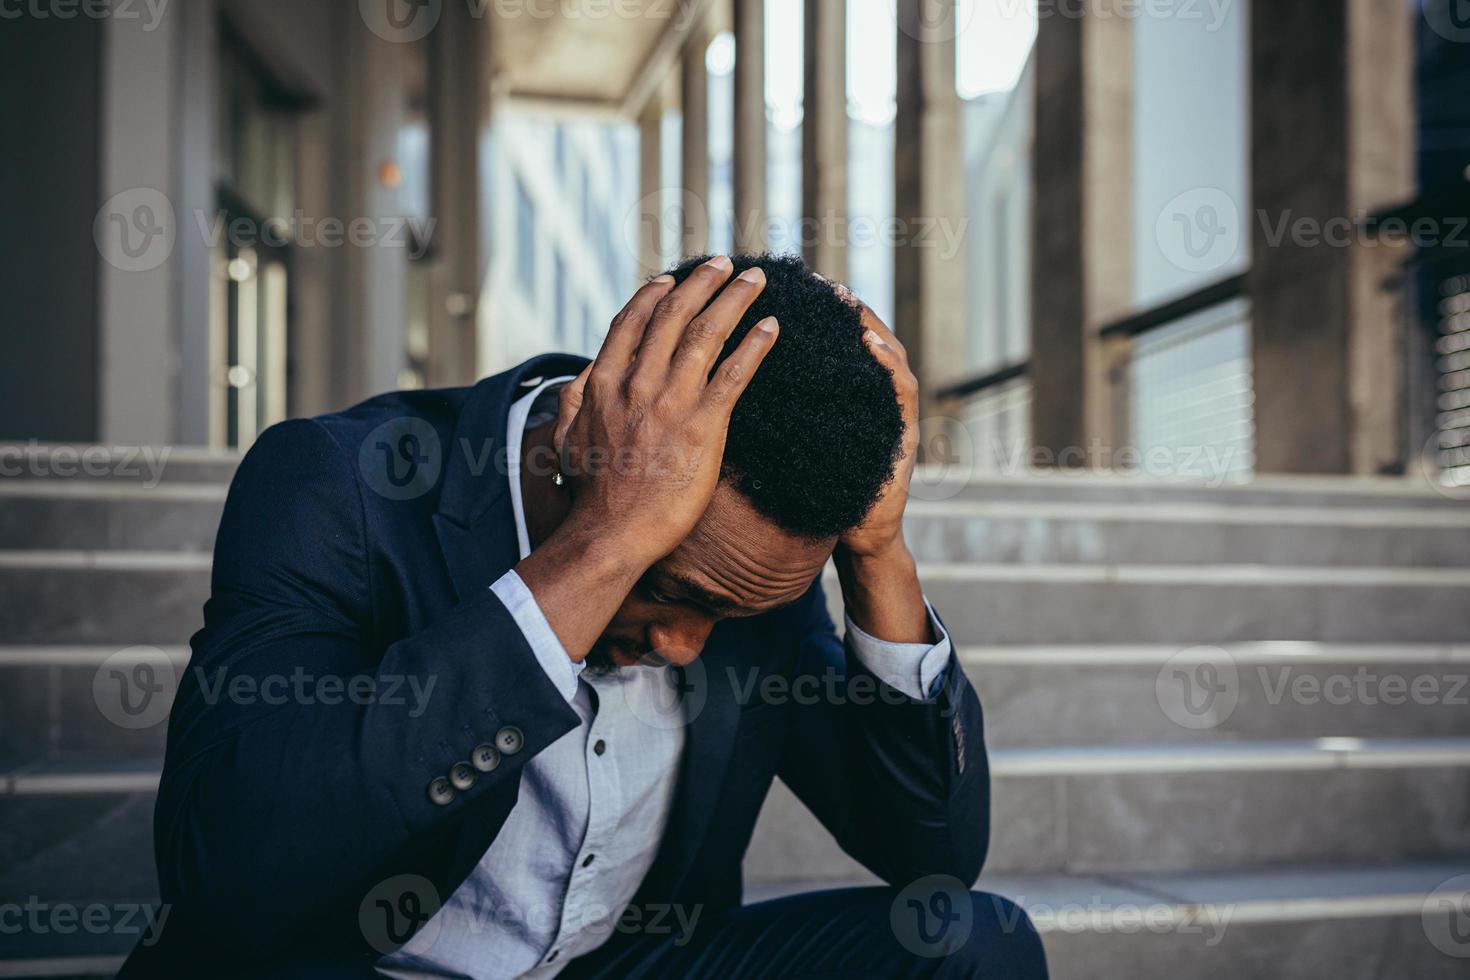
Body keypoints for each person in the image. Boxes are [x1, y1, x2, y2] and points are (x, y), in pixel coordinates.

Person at [121, 254, 1048, 978]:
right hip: (354, 966)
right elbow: (226, 870)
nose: (684, 646)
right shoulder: (337, 485)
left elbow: (930, 854)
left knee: (972, 944)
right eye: (673, 590)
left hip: (619, 965)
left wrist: (877, 553)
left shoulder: (752, 569)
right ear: (574, 435)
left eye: (726, 611)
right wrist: (605, 545)